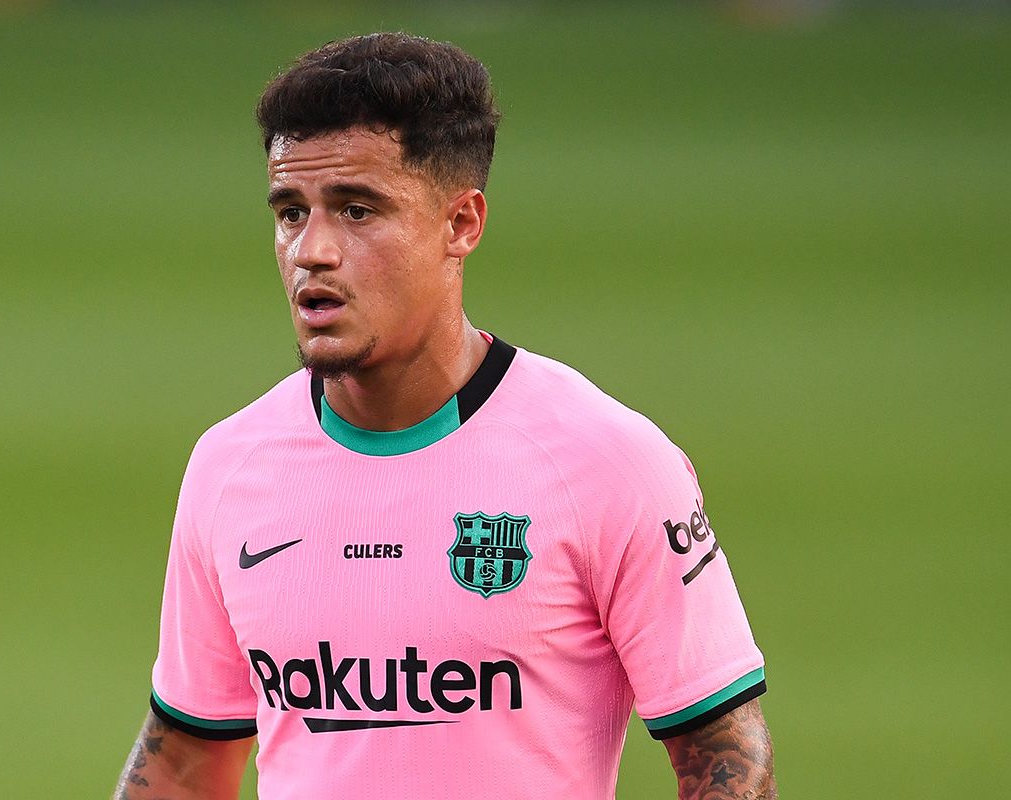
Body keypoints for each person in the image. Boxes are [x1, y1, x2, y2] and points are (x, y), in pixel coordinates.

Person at [114, 32, 776, 800]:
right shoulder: (229, 467)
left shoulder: (608, 462)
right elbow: (185, 762)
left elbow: (726, 756)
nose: (311, 251)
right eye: (292, 213)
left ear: (461, 223)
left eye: (357, 210)